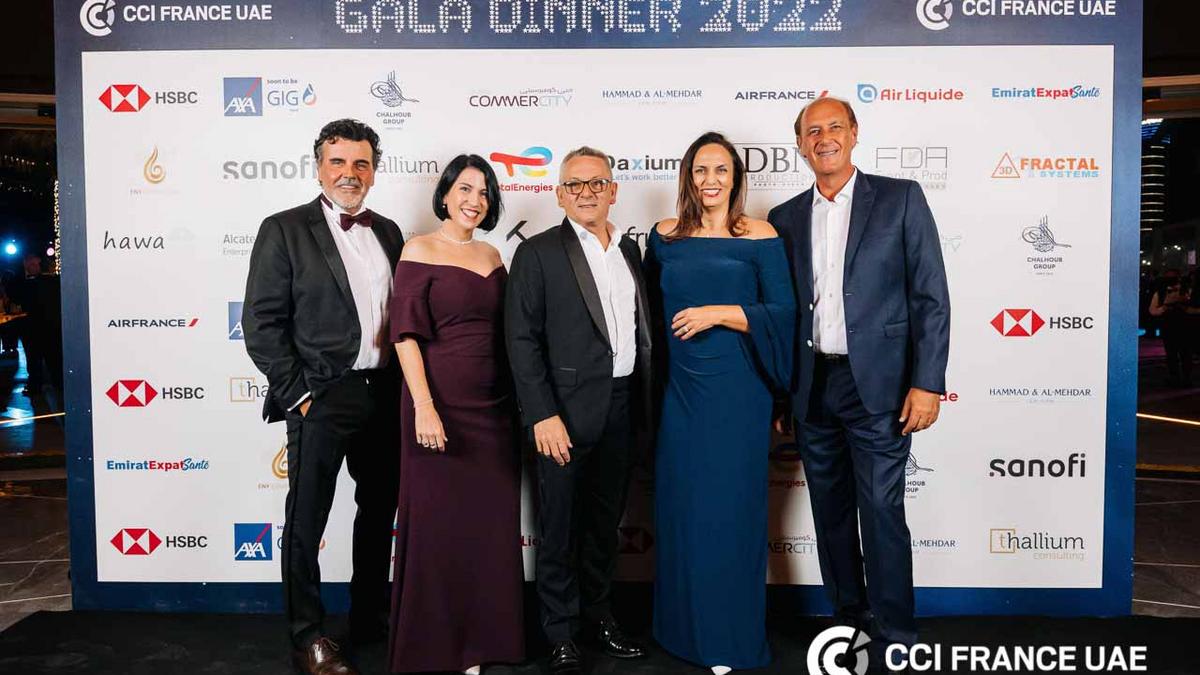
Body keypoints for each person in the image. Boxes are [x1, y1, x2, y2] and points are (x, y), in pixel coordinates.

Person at [767, 97, 950, 672]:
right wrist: (783, 394)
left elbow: (931, 297)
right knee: (831, 513)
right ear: (800, 145)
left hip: (882, 386)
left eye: (834, 127)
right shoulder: (784, 217)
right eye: (812, 131)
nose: (824, 138)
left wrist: (928, 382)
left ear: (854, 133)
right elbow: (784, 313)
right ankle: (850, 618)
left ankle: (896, 630)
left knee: (881, 509)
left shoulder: (900, 198)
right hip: (812, 384)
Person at [243, 119, 404, 675]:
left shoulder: (389, 232)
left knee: (378, 512)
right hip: (322, 395)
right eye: (338, 162)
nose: (349, 173)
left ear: (374, 171)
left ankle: (368, 618)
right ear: (318, 168)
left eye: (361, 163)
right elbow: (261, 322)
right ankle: (307, 635)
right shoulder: (284, 229)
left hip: (384, 393)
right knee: (307, 521)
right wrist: (300, 395)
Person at [647, 132, 795, 674]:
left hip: (740, 394)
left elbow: (784, 312)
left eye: (721, 171)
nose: (710, 180)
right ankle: (680, 631)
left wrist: (720, 313)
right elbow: (649, 319)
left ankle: (728, 638)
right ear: (688, 177)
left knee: (730, 515)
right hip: (681, 395)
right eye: (701, 170)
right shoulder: (664, 237)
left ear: (736, 178)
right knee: (684, 513)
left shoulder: (761, 235)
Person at [505, 146, 652, 675]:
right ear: (559, 194)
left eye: (596, 183)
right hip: (561, 416)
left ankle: (599, 617)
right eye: (575, 184)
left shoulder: (629, 250)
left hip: (622, 406)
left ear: (613, 190)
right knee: (559, 527)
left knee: (604, 525)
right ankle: (560, 632)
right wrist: (541, 414)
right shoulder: (537, 253)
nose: (586, 192)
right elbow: (521, 340)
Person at [387, 154, 523, 674]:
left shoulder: (493, 254)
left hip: (495, 411)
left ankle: (485, 643)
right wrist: (424, 407)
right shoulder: (419, 249)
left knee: (486, 530)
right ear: (445, 194)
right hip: (438, 405)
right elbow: (404, 336)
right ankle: (435, 647)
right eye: (465, 189)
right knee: (438, 528)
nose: (475, 200)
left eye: (484, 192)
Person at [1149, 269, 1192, 387]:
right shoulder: (1160, 293)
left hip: (1184, 326)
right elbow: (1152, 310)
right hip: (1168, 326)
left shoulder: (1186, 290)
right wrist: (1164, 308)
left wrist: (1184, 307)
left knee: (1185, 353)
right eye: (1168, 278)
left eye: (1173, 277)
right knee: (1171, 354)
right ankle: (1175, 377)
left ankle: (1186, 378)